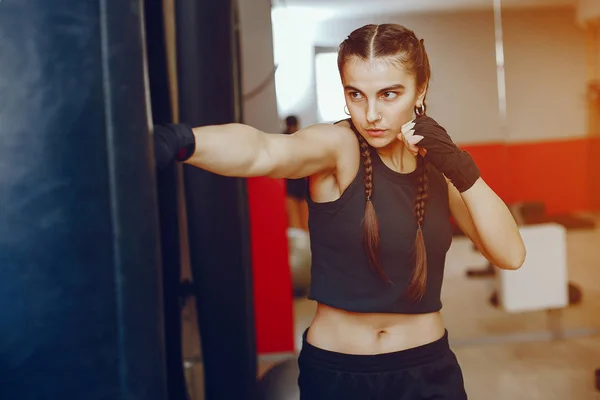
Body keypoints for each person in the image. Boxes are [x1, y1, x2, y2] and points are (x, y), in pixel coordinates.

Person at [154, 23, 526, 399]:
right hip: (340, 374)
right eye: (356, 94)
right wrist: (181, 141)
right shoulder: (338, 146)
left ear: (421, 89)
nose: (371, 114)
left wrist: (459, 167)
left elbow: (510, 255)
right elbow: (262, 151)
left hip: (428, 371)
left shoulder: (438, 165)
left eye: (389, 94)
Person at [282, 115, 309, 231]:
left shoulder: (288, 138)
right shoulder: (296, 138)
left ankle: (301, 237)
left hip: (298, 181)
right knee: (295, 216)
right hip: (292, 181)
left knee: (303, 215)